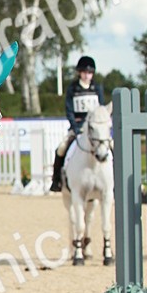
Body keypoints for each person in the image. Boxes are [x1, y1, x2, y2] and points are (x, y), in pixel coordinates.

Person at [49, 55, 105, 192]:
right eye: (85, 72)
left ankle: (112, 179)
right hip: (78, 127)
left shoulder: (97, 88)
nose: (87, 75)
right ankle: (56, 180)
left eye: (90, 73)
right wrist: (75, 127)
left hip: (94, 130)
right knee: (61, 149)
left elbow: (101, 109)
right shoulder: (73, 88)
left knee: (111, 148)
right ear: (80, 72)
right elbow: (69, 111)